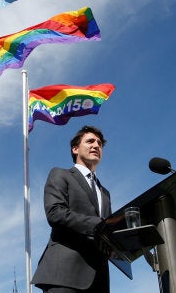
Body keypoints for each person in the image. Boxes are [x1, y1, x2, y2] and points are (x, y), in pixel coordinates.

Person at [31, 125, 112, 293]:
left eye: (99, 144)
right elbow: (55, 213)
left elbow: (108, 230)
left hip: (99, 280)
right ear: (75, 149)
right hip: (64, 274)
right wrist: (99, 224)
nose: (96, 146)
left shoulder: (105, 193)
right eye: (90, 141)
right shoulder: (60, 174)